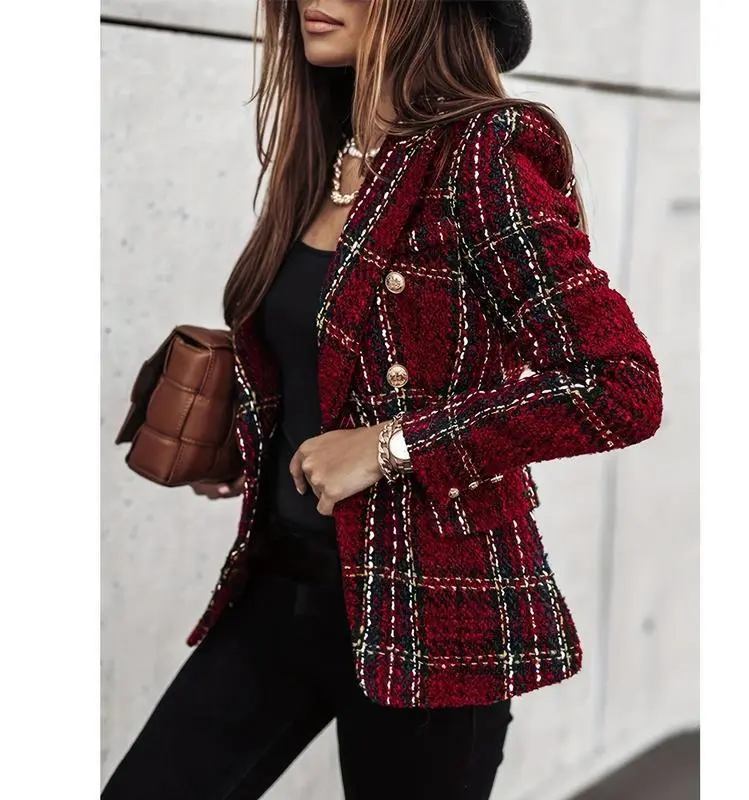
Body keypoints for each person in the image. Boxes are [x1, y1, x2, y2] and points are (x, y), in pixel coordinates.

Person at [102, 1, 663, 798]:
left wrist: (388, 447)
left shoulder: (484, 153)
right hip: (283, 586)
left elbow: (620, 385)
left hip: (431, 613)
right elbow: (337, 351)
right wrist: (257, 438)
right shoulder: (330, 154)